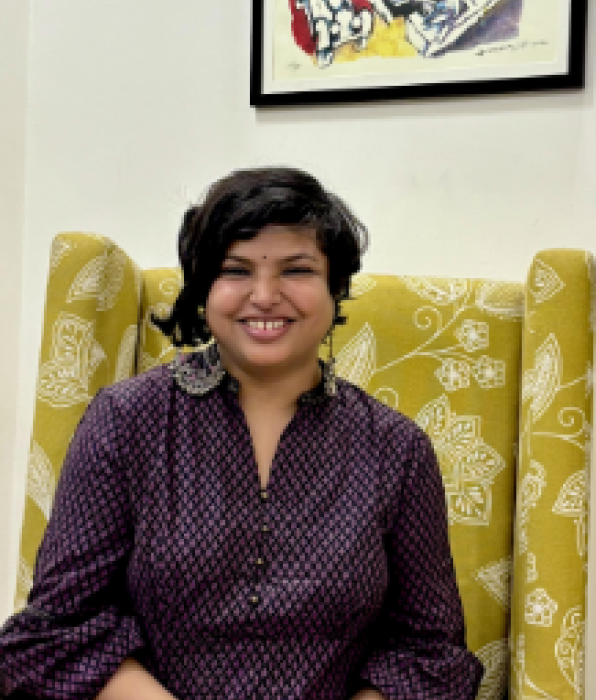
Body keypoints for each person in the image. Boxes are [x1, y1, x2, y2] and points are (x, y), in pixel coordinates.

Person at [0, 167, 483, 699]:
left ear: (335, 290)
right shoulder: (125, 421)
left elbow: (429, 653)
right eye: (236, 270)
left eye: (297, 270)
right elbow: (60, 629)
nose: (265, 295)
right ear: (204, 288)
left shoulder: (397, 450)